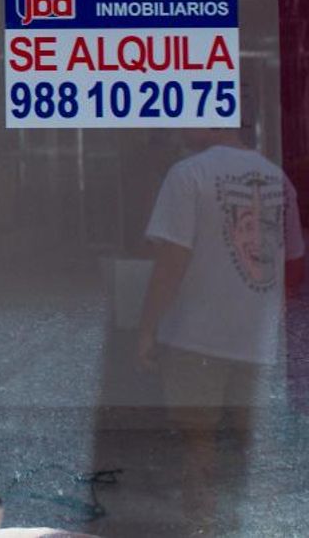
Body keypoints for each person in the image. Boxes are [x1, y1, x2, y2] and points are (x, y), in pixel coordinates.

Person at [136, 124, 306, 535]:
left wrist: (147, 328)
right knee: (253, 449)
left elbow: (172, 262)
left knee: (199, 447)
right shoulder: (276, 178)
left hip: (196, 339)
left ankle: (203, 529)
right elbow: (291, 264)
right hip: (257, 342)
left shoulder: (188, 175)